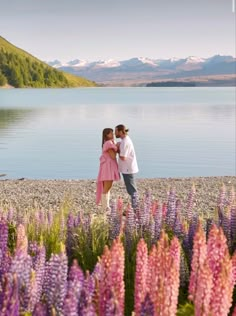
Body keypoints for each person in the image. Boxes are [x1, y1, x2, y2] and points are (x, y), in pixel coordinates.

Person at [96, 128, 120, 210]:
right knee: (107, 187)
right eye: (111, 133)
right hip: (108, 167)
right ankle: (104, 207)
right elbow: (113, 156)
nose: (113, 134)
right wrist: (117, 148)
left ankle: (106, 206)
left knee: (108, 187)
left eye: (113, 133)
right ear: (106, 135)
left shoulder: (109, 143)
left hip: (109, 166)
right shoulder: (108, 143)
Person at [115, 124, 138, 208]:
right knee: (130, 189)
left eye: (116, 131)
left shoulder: (125, 142)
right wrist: (119, 145)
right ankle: (134, 207)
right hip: (127, 168)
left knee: (132, 189)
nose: (115, 133)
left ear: (121, 132)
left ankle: (135, 209)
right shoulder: (124, 140)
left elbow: (123, 157)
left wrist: (117, 150)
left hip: (128, 168)